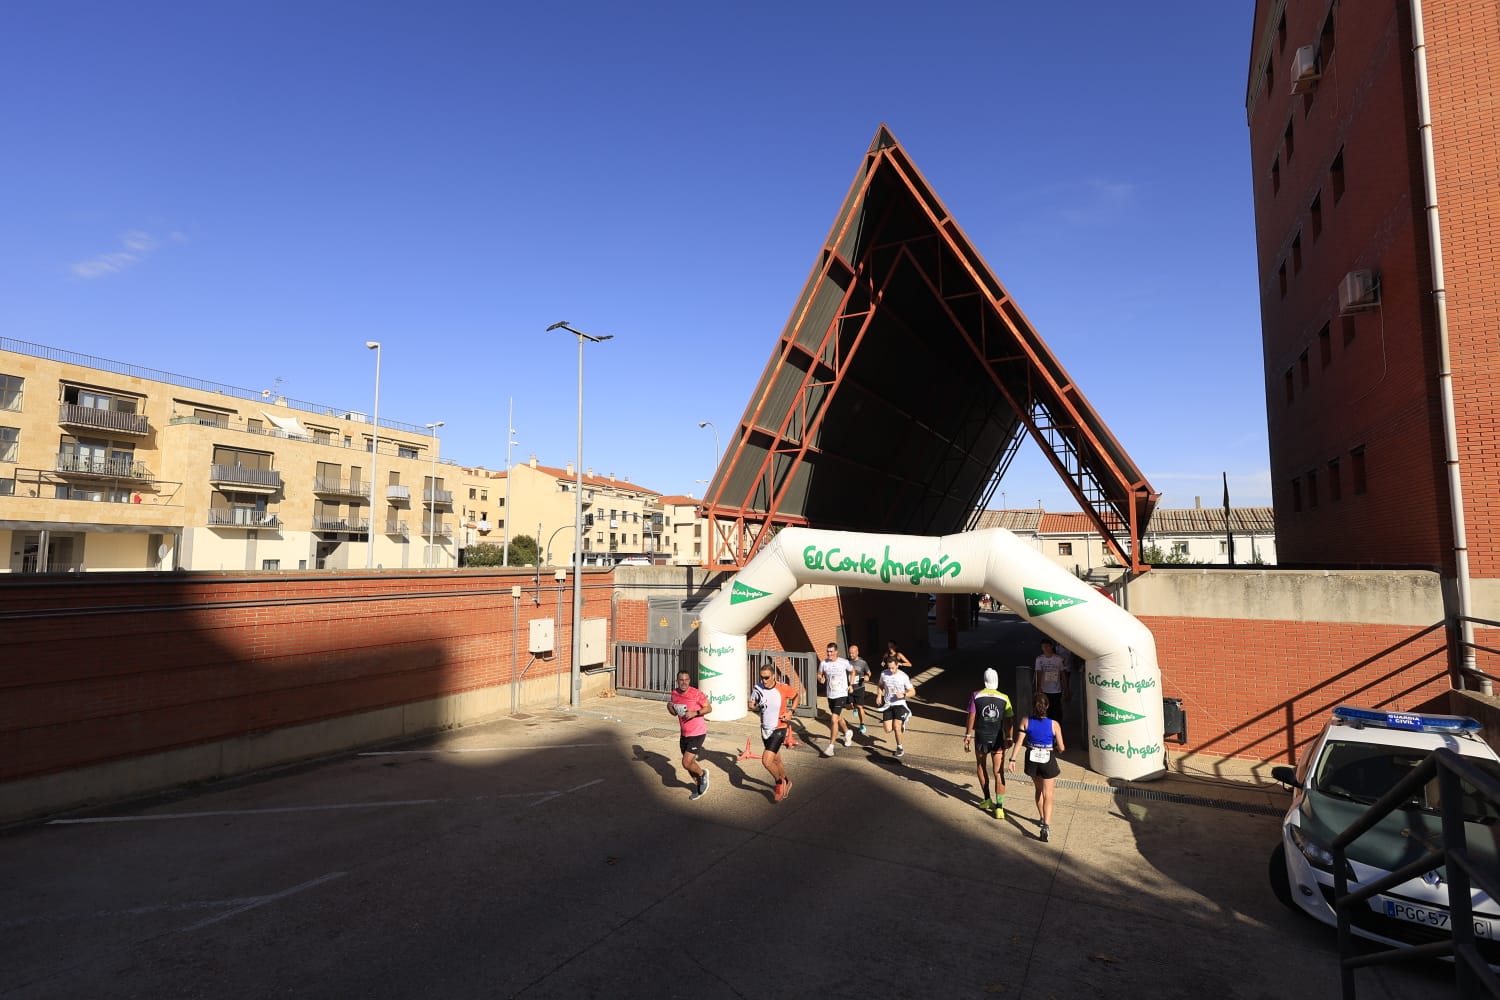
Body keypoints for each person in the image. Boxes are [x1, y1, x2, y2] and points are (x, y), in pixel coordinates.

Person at [1008, 692, 1065, 841]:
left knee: (1038, 790)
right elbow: (1062, 747)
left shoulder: (1025, 721)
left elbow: (1019, 741)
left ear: (1033, 706)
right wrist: (1055, 748)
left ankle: (1041, 817)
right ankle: (1046, 825)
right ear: (1047, 706)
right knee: (1049, 794)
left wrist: (1012, 759)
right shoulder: (1054, 724)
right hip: (1048, 759)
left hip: (1032, 759)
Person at [962, 668, 1013, 818]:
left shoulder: (976, 695)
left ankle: (987, 799)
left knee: (981, 766)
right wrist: (1009, 737)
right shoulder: (1005, 697)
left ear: (984, 680)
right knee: (999, 772)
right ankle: (1000, 807)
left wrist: (967, 734)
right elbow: (1009, 720)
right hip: (998, 738)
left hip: (981, 738)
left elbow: (971, 716)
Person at [749, 665, 792, 801]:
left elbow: (796, 696)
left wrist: (791, 712)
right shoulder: (758, 688)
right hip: (765, 729)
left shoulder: (783, 688)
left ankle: (779, 782)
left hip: (779, 727)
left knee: (766, 761)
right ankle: (786, 780)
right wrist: (751, 704)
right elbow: (753, 701)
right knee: (776, 759)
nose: (764, 680)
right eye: (762, 677)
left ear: (774, 676)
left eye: (767, 677)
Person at [667, 669, 711, 800]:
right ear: (677, 681)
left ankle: (703, 774)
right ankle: (699, 788)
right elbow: (675, 713)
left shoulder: (696, 693)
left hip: (697, 733)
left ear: (689, 681)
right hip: (684, 734)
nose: (684, 682)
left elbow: (709, 708)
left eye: (686, 680)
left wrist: (695, 713)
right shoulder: (674, 693)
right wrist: (669, 706)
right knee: (689, 766)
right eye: (681, 680)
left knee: (686, 762)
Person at [876, 643, 916, 758]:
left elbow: (913, 692)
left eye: (893, 668)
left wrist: (903, 694)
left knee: (897, 726)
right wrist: (879, 695)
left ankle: (900, 747)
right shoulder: (884, 674)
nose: (891, 670)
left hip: (900, 704)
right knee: (888, 729)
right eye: (889, 668)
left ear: (897, 665)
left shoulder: (903, 676)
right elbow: (880, 685)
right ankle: (901, 722)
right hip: (888, 704)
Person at [816, 641, 854, 755]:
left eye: (831, 652)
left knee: (833, 719)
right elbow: (819, 674)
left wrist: (851, 684)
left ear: (836, 652)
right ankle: (847, 732)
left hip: (841, 693)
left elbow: (853, 671)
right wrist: (820, 678)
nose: (829, 654)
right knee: (837, 717)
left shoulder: (844, 662)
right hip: (830, 694)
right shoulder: (823, 663)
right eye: (827, 652)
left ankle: (831, 747)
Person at [1033, 639, 1069, 723]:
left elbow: (1063, 674)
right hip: (1044, 689)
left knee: (1056, 710)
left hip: (1056, 690)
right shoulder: (1039, 659)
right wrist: (1038, 688)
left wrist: (1066, 688)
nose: (1045, 648)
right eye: (1043, 647)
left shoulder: (1058, 659)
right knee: (1045, 709)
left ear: (1051, 646)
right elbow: (1038, 673)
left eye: (1047, 646)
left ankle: (1057, 725)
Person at [847, 643, 872, 734]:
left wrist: (867, 676)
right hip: (849, 687)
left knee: (860, 706)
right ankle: (854, 707)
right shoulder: (847, 662)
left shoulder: (863, 662)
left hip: (859, 687)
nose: (851, 655)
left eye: (853, 653)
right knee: (849, 706)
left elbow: (869, 673)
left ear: (857, 652)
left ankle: (862, 724)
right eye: (850, 653)